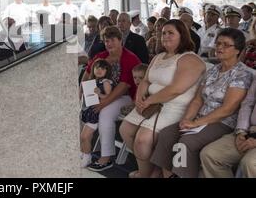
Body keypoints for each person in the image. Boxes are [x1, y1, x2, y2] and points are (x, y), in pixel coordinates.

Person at [150, 28, 253, 178]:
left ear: (237, 50)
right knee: (167, 134)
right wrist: (188, 119)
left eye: (225, 45)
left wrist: (196, 123)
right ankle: (168, 175)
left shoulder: (242, 73)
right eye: (218, 43)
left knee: (186, 142)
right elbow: (197, 99)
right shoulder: (212, 70)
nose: (219, 47)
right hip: (200, 119)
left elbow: (228, 109)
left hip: (223, 122)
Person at [120, 19, 205, 178]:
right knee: (125, 129)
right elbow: (145, 80)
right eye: (163, 33)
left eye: (171, 33)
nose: (165, 36)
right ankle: (152, 169)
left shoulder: (189, 59)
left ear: (182, 35)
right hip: (150, 103)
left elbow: (176, 89)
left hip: (174, 107)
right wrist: (139, 98)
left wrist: (148, 101)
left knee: (142, 140)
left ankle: (146, 173)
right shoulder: (158, 57)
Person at [81, 27, 141, 171]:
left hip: (127, 97)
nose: (109, 44)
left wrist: (103, 103)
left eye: (113, 40)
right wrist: (84, 97)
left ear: (120, 40)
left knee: (106, 113)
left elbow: (124, 86)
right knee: (83, 110)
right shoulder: (101, 56)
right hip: (101, 95)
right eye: (106, 41)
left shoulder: (130, 58)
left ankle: (106, 158)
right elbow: (88, 75)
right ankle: (84, 151)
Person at [200, 75, 256, 178]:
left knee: (250, 164)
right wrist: (241, 131)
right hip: (250, 129)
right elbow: (248, 103)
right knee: (210, 154)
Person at [80, 59, 113, 167]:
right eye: (97, 68)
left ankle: (87, 157)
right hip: (89, 110)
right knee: (86, 136)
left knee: (84, 136)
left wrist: (99, 94)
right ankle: (83, 153)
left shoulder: (105, 82)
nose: (99, 70)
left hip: (96, 112)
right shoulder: (92, 81)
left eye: (102, 68)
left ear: (106, 71)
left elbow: (109, 97)